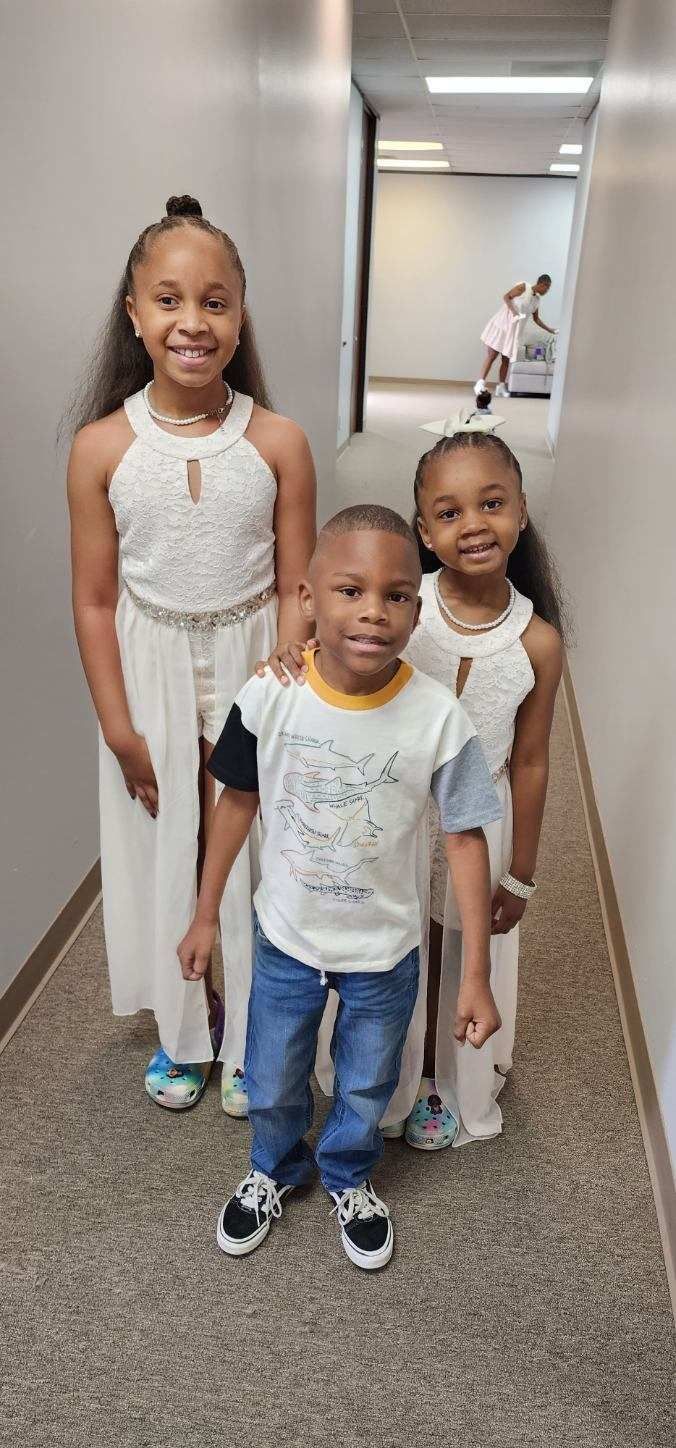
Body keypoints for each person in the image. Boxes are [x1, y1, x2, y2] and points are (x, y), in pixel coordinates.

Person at [177, 505, 502, 1269]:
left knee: (365, 1082)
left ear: (415, 612)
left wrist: (476, 975)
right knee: (274, 1069)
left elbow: (464, 840)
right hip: (287, 936)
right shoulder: (270, 696)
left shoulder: (439, 718)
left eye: (395, 596)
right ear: (308, 599)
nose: (371, 613)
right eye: (349, 590)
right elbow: (235, 805)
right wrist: (201, 917)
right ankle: (273, 1165)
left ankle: (350, 1173)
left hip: (385, 951)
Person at [67, 194, 316, 1116]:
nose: (192, 322)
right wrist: (120, 727)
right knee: (166, 843)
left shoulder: (279, 441)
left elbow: (300, 583)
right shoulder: (101, 448)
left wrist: (279, 681)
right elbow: (95, 599)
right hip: (150, 668)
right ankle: (184, 1034)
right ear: (134, 315)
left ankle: (257, 1035)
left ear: (240, 314)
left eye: (215, 301)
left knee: (253, 851)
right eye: (168, 300)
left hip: (261, 659)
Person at [383, 428, 564, 1151]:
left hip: (480, 820)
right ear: (424, 531)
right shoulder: (405, 605)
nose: (474, 525)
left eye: (491, 503)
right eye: (449, 513)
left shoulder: (538, 642)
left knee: (464, 948)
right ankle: (394, 1069)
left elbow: (531, 763)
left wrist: (521, 874)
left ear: (521, 511)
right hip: (397, 806)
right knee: (402, 943)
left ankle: (444, 1075)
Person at [475, 275, 557, 398]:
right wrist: (514, 311)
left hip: (513, 332)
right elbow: (506, 296)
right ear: (542, 284)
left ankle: (501, 387)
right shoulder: (524, 287)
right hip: (503, 326)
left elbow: (536, 319)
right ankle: (479, 384)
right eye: (547, 287)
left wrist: (550, 330)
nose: (547, 290)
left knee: (506, 359)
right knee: (492, 356)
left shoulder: (536, 301)